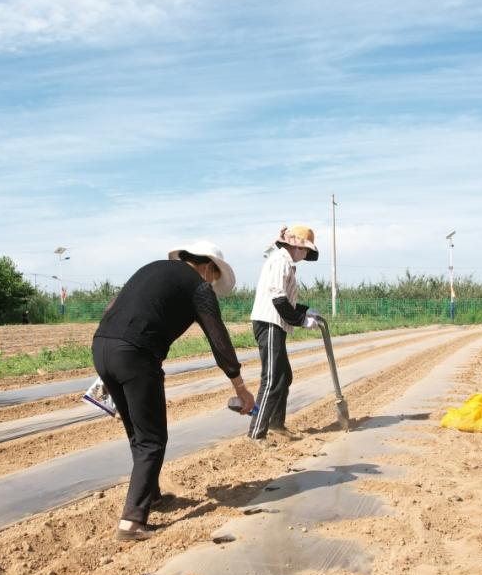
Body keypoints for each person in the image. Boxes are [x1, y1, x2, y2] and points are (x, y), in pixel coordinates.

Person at [92, 241, 255, 541]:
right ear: (209, 268)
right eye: (214, 277)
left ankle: (151, 495)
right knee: (153, 440)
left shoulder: (151, 269)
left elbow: (111, 308)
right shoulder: (199, 287)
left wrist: (109, 372)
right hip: (136, 353)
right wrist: (240, 386)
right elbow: (218, 339)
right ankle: (131, 522)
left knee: (138, 434)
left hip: (102, 346)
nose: (212, 283)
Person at [249, 225, 319, 442]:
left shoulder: (286, 263)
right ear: (296, 246)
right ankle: (256, 433)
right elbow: (278, 300)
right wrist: (301, 320)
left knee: (283, 377)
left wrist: (305, 310)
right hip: (269, 323)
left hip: (276, 324)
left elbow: (286, 301)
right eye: (306, 250)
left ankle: (276, 424)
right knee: (271, 380)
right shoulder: (279, 261)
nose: (306, 255)